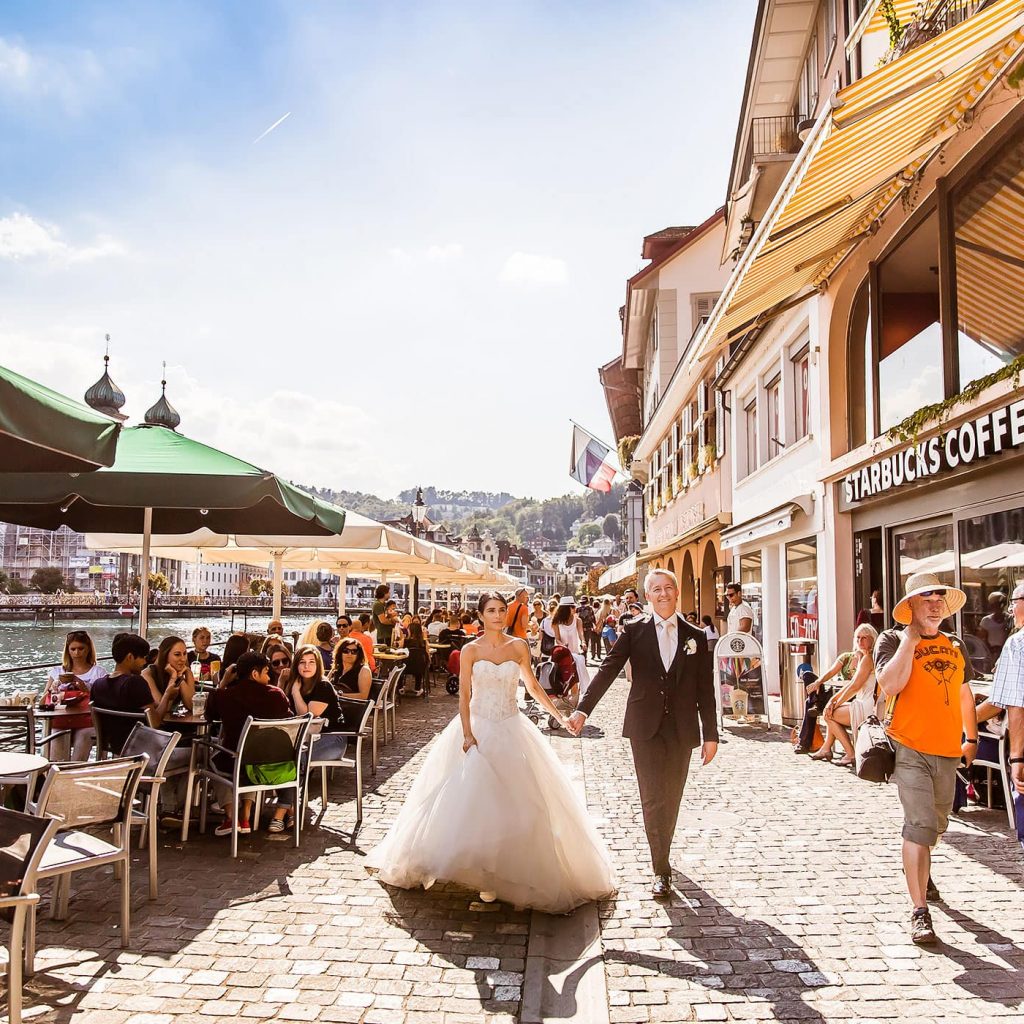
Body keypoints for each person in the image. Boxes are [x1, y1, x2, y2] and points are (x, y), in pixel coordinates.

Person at [365, 592, 614, 912]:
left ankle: (501, 874)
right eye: (491, 611)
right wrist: (467, 733)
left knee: (519, 801)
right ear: (481, 615)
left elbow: (534, 688)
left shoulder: (519, 646)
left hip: (511, 727)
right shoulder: (470, 650)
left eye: (501, 610)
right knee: (470, 798)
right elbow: (465, 694)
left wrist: (559, 716)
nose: (497, 615)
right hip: (478, 728)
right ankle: (478, 872)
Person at [567, 568, 718, 900]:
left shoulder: (696, 635)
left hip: (681, 726)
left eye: (668, 588)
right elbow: (608, 669)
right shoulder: (634, 631)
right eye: (656, 590)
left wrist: (712, 733)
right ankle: (661, 869)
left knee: (672, 796)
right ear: (647, 596)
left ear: (677, 593)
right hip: (644, 726)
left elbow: (704, 688)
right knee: (652, 797)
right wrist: (583, 709)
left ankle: (663, 851)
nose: (663, 594)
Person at [875, 573, 978, 945]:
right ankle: (920, 910)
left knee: (935, 827)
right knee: (918, 825)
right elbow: (889, 686)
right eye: (926, 597)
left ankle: (922, 869)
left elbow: (965, 693)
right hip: (910, 747)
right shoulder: (892, 640)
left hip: (949, 750)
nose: (935, 603)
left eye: (939, 597)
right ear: (911, 606)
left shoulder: (955, 644)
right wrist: (909, 640)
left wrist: (972, 737)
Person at [204, 651, 295, 836]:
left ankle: (231, 815)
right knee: (248, 754)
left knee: (210, 756)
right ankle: (244, 814)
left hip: (238, 767)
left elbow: (209, 716)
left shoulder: (225, 695)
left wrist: (222, 683)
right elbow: (290, 720)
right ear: (255, 674)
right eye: (267, 672)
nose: (269, 677)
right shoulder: (277, 695)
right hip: (273, 765)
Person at [92, 632, 180, 752]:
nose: (145, 662)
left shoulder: (98, 685)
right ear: (130, 657)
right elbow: (154, 722)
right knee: (199, 751)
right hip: (143, 753)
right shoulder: (135, 683)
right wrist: (167, 695)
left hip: (115, 749)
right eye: (142, 657)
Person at [810, 624, 879, 765]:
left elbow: (855, 686)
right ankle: (826, 748)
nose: (860, 641)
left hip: (867, 705)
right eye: (858, 638)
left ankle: (850, 753)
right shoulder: (865, 657)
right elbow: (852, 684)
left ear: (873, 639)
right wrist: (833, 701)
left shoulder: (869, 658)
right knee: (830, 711)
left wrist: (834, 703)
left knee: (827, 715)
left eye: (865, 638)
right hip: (866, 703)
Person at [989, 581, 1024, 846]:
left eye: (1014, 601)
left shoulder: (1017, 645)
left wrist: (1017, 758)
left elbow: (1015, 705)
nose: (1011, 609)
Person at [43, 629, 105, 760]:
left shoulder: (98, 673)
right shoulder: (57, 672)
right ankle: (57, 774)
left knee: (84, 737)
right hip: (61, 721)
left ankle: (73, 773)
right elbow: (42, 702)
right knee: (57, 737)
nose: (77, 653)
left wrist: (84, 686)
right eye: (73, 649)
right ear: (68, 651)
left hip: (87, 722)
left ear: (88, 649)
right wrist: (54, 688)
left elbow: (104, 701)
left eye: (81, 648)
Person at [287, 644, 347, 776]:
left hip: (332, 739)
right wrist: (282, 683)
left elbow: (307, 716)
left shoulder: (323, 686)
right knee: (280, 754)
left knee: (295, 758)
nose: (306, 666)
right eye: (302, 662)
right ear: (296, 665)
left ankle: (296, 790)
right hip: (306, 738)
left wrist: (295, 692)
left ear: (318, 664)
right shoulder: (295, 683)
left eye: (311, 662)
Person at [143, 636, 196, 713]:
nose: (183, 659)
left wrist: (179, 677)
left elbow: (191, 706)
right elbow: (162, 708)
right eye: (177, 654)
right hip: (157, 723)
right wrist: (173, 677)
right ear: (165, 655)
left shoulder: (187, 671)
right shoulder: (147, 674)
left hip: (179, 721)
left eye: (184, 654)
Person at [550, 596, 590, 690]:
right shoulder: (556, 622)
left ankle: (573, 703)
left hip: (574, 653)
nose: (575, 609)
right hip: (561, 654)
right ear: (565, 609)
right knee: (563, 680)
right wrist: (562, 645)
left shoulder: (578, 620)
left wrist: (583, 642)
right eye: (572, 607)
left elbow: (581, 634)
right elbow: (557, 638)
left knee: (574, 681)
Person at [979, 592, 1011, 660]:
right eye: (996, 604)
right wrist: (990, 650)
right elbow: (982, 639)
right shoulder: (986, 620)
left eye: (1002, 603)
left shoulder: (1010, 619)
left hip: (1008, 652)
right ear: (992, 605)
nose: (1000, 606)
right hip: (990, 654)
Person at [402, 620, 430, 696]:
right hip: (420, 669)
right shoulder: (423, 643)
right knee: (420, 662)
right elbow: (427, 654)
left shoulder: (405, 641)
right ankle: (417, 688)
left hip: (405, 668)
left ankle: (400, 687)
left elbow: (401, 651)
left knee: (400, 665)